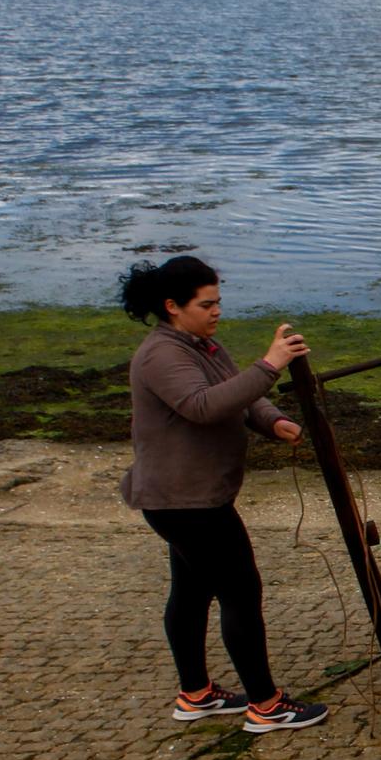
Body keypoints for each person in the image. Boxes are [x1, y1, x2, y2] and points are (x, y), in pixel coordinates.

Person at [118, 255, 329, 732]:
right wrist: (272, 362)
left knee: (191, 593)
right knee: (240, 591)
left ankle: (196, 694)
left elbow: (242, 394)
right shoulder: (161, 354)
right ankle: (265, 705)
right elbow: (203, 406)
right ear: (173, 306)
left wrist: (272, 420)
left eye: (218, 301)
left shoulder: (202, 346)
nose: (217, 311)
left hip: (191, 498)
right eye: (206, 304)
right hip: (185, 503)